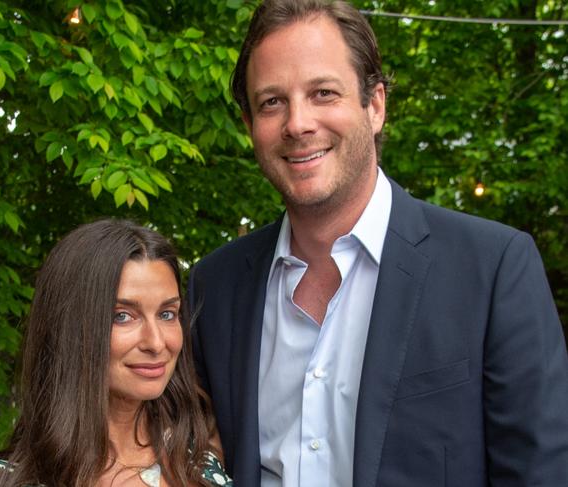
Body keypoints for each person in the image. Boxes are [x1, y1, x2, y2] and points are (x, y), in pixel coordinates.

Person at [187, 1, 568, 486]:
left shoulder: (492, 270)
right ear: (250, 126)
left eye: (323, 93)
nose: (297, 124)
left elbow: (540, 473)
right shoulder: (214, 287)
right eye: (271, 102)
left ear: (375, 106)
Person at [0, 219, 232, 487]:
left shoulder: (201, 469)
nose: (156, 343)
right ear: (71, 328)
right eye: (122, 316)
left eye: (167, 314)